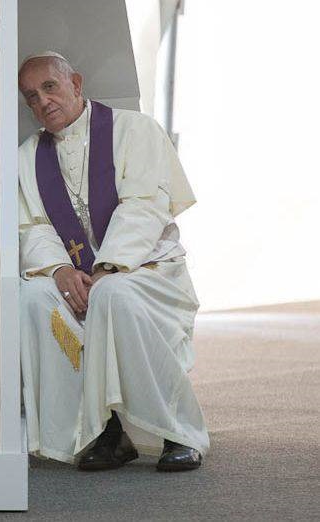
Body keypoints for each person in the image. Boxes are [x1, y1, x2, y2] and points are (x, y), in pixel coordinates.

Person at [17, 51, 209, 472]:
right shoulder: (29, 156)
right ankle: (103, 433)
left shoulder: (134, 131)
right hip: (81, 274)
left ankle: (178, 432)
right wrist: (60, 270)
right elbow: (33, 226)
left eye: (50, 87)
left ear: (76, 83)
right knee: (31, 298)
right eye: (31, 96)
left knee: (114, 295)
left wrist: (107, 267)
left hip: (145, 269)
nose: (42, 101)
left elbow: (143, 206)